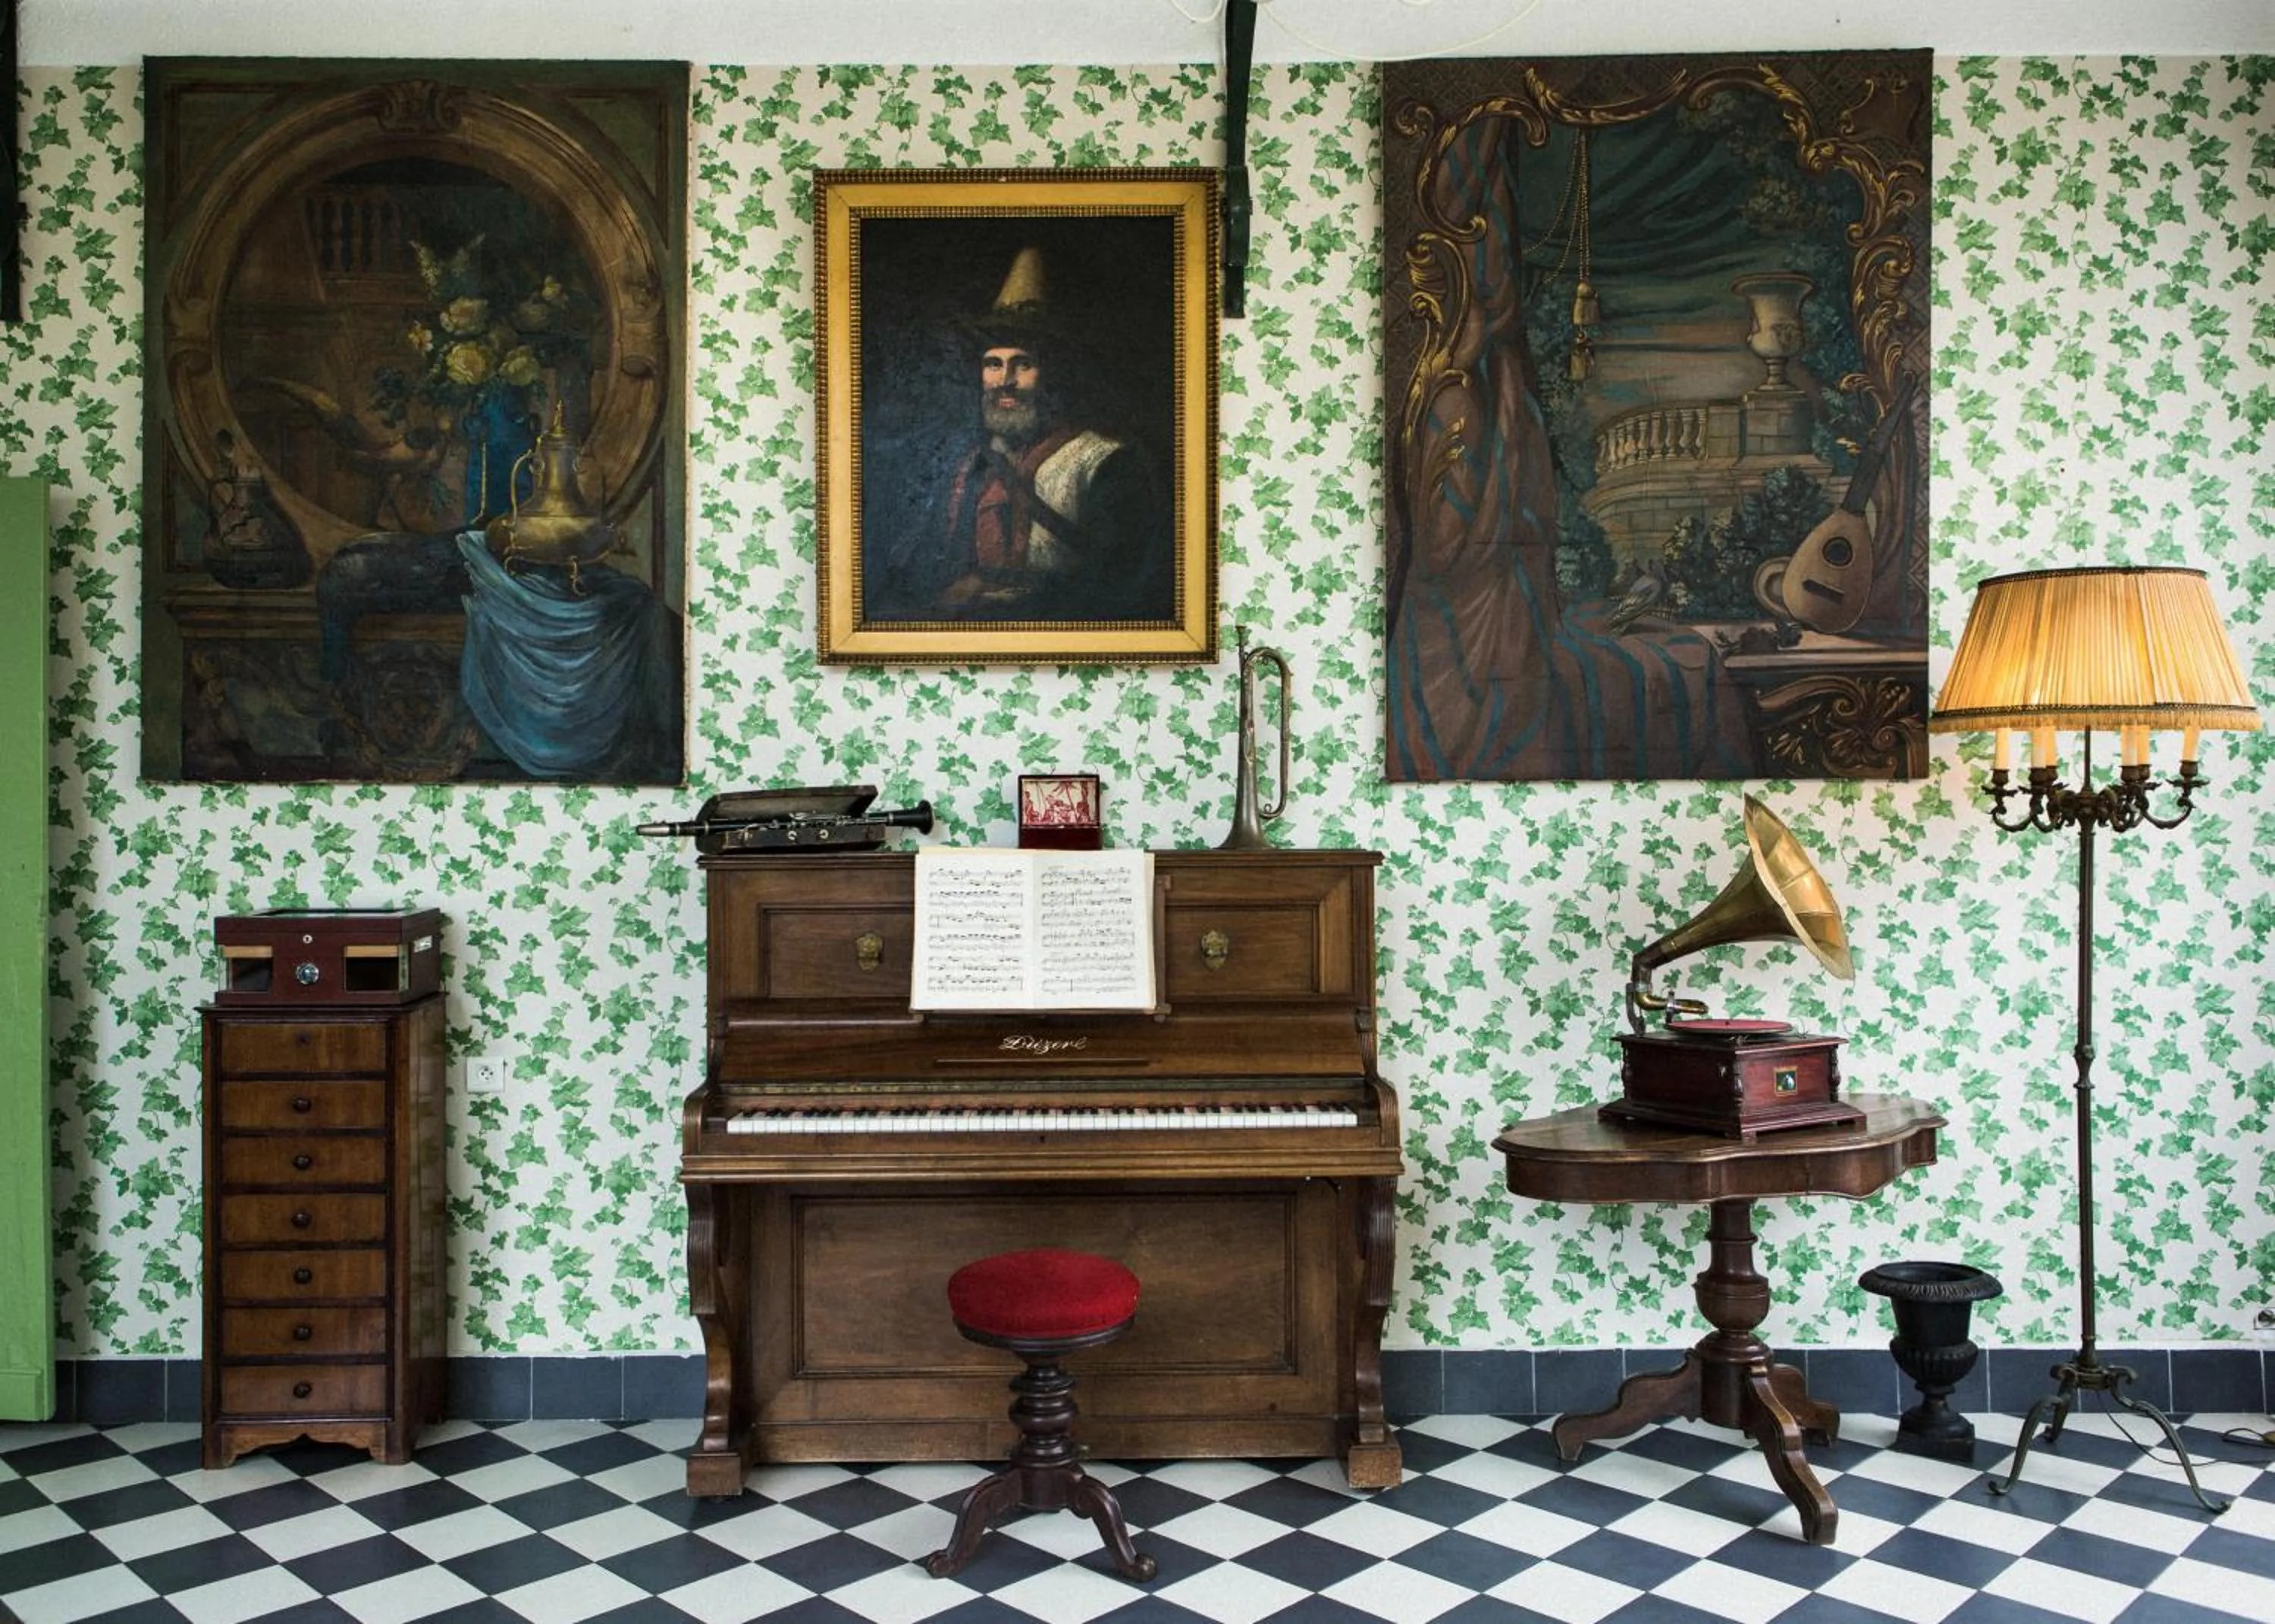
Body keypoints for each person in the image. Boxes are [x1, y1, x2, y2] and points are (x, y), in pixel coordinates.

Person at [879, 246, 1172, 622]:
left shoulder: (1107, 463)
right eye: (993, 365)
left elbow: (1123, 583)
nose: (1005, 381)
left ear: (1051, 374)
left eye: (1023, 365)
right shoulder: (968, 465)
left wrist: (1026, 597)